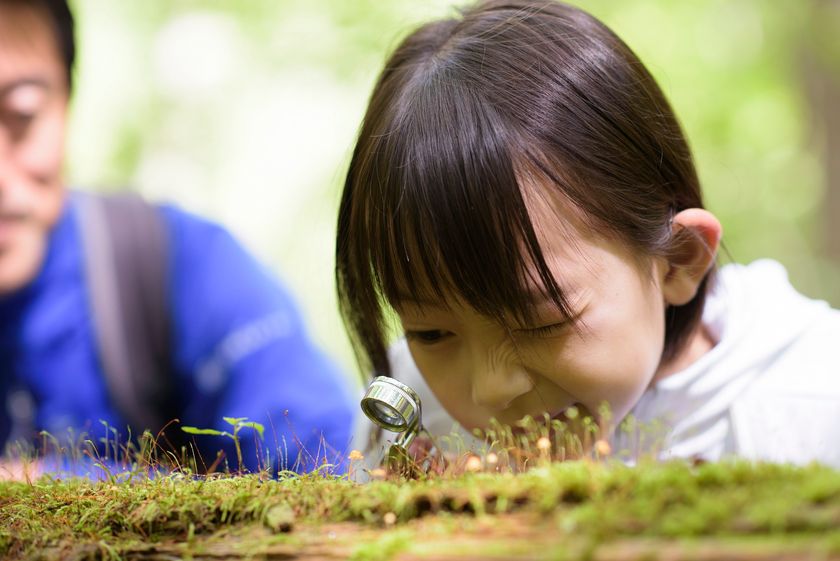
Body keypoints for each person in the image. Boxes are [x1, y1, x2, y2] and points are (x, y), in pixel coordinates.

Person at [336, 0, 840, 468]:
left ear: (679, 260)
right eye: (432, 333)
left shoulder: (812, 409)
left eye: (540, 321)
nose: (491, 389)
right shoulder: (412, 416)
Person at [0, 0, 356, 477]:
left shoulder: (181, 266)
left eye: (22, 115)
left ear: (68, 105)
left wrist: (47, 485)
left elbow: (332, 477)